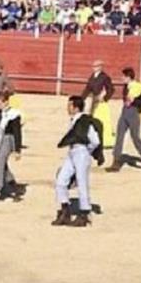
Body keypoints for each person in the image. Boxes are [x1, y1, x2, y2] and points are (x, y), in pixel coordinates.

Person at [53, 95, 103, 227]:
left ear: (76, 108)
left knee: (82, 183)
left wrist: (86, 151)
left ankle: (84, 214)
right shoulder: (74, 120)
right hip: (72, 152)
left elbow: (95, 141)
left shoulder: (85, 121)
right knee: (61, 180)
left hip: (81, 152)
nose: (67, 108)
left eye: (69, 105)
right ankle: (65, 211)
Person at [106, 67, 141, 172]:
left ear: (128, 77)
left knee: (135, 137)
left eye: (123, 76)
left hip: (133, 113)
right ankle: (116, 163)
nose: (122, 78)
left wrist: (133, 103)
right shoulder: (126, 86)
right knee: (119, 136)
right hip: (124, 112)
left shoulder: (139, 88)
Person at [81, 59, 115, 147]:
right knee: (92, 119)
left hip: (101, 103)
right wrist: (81, 99)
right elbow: (88, 88)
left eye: (95, 66)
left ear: (100, 67)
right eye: (93, 66)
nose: (93, 68)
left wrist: (105, 98)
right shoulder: (93, 76)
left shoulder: (105, 77)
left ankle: (105, 141)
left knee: (101, 120)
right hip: (94, 101)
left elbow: (111, 89)